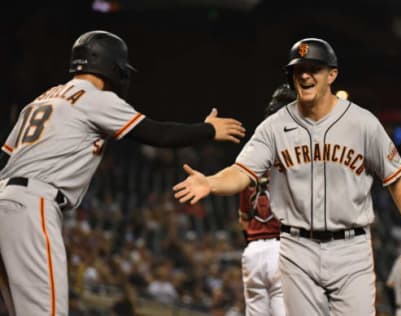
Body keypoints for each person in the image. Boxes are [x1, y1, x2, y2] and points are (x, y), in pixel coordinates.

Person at [173, 37, 401, 315]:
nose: (304, 75)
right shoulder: (274, 127)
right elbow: (241, 172)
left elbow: (397, 177)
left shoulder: (363, 123)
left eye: (313, 68)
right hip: (297, 247)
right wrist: (210, 182)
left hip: (351, 249)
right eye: (298, 69)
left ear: (332, 75)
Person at [0, 30, 245, 316]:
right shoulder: (94, 98)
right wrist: (208, 130)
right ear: (112, 66)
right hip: (33, 205)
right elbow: (157, 133)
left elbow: (4, 156)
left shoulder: (39, 101)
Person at [238, 84, 295, 316]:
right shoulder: (296, 155)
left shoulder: (252, 154)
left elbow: (243, 218)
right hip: (284, 247)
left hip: (253, 252)